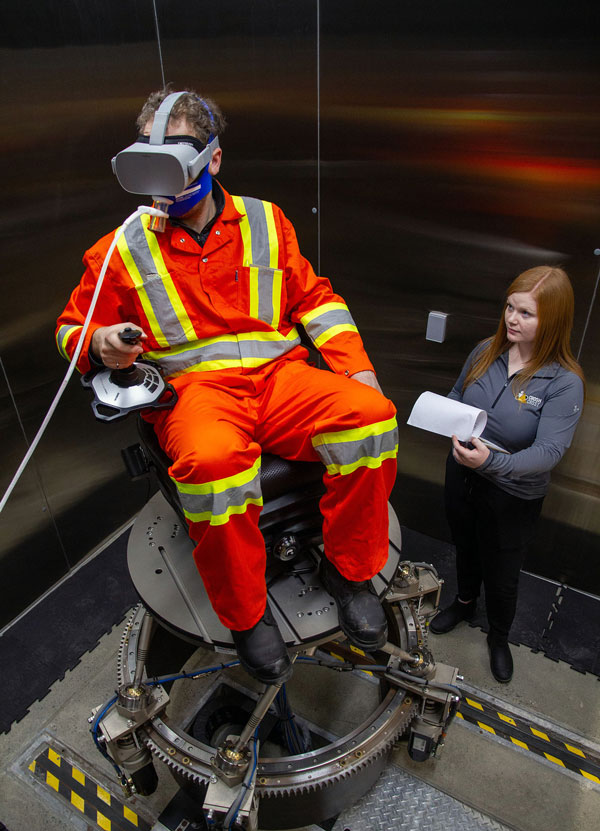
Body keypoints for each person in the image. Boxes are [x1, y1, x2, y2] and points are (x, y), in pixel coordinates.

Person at [56, 88, 398, 685]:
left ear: (213, 159)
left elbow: (314, 300)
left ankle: (349, 570)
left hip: (282, 380)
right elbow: (70, 328)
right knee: (213, 467)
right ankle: (246, 615)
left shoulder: (266, 220)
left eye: (178, 152)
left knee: (372, 417)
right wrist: (99, 344)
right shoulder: (120, 248)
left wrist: (354, 367)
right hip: (197, 396)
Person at [430, 266, 584, 683]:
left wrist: (491, 463)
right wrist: (449, 425)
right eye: (510, 308)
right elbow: (458, 394)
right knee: (465, 545)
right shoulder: (485, 350)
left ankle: (498, 637)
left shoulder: (564, 383)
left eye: (527, 314)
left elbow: (548, 452)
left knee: (502, 570)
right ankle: (463, 603)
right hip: (463, 473)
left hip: (512, 494)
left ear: (552, 320)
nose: (512, 319)